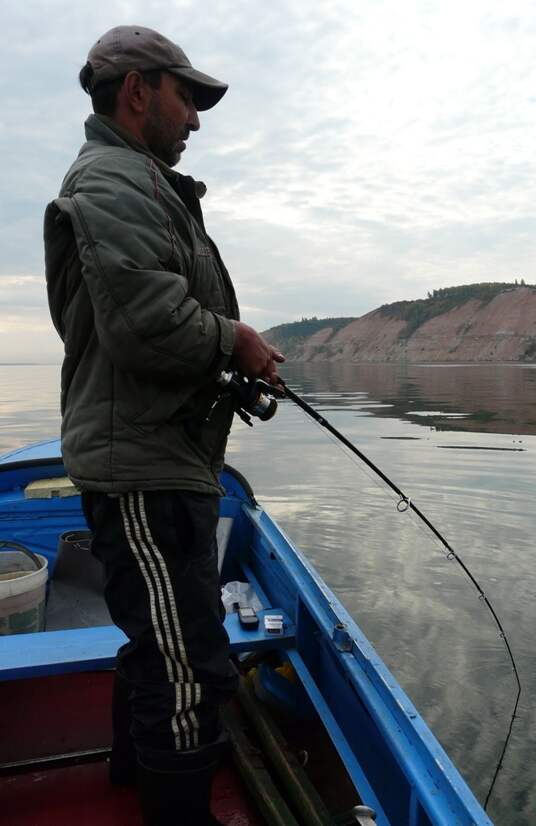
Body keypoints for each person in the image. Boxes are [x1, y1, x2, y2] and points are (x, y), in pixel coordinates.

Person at [44, 25, 284, 826]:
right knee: (187, 664)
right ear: (138, 90)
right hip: (142, 465)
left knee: (168, 641)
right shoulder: (113, 182)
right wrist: (234, 341)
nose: (196, 119)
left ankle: (132, 768)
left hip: (162, 453)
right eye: (188, 97)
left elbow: (151, 314)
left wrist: (226, 355)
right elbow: (147, 323)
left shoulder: (140, 181)